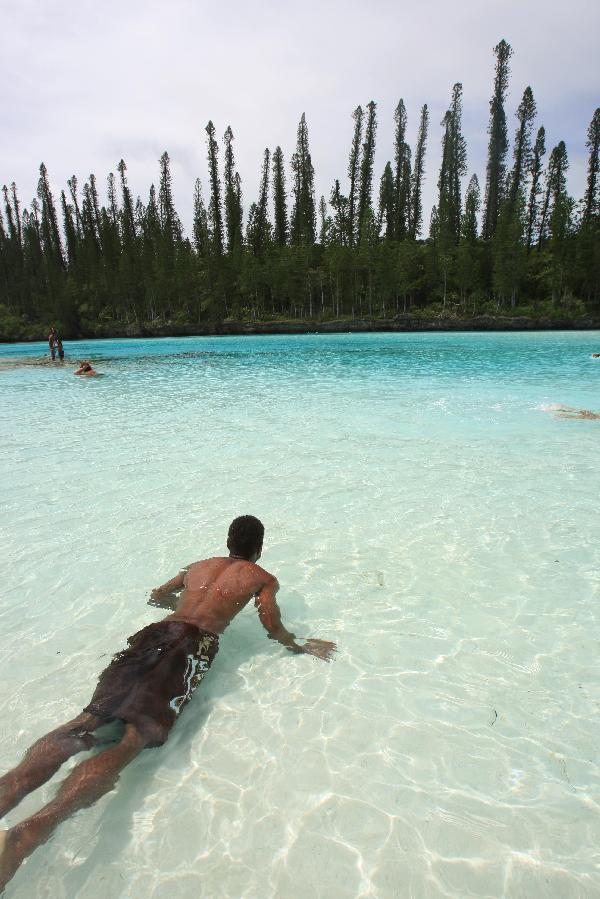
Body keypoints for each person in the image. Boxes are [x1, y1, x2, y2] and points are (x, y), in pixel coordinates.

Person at [0, 516, 336, 889]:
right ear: (259, 548)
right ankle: (36, 828)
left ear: (227, 541)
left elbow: (157, 596)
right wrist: (298, 645)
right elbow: (270, 623)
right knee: (134, 737)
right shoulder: (262, 578)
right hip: (194, 645)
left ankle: (6, 793)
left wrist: (184, 611)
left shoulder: (196, 567)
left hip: (156, 634)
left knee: (86, 720)